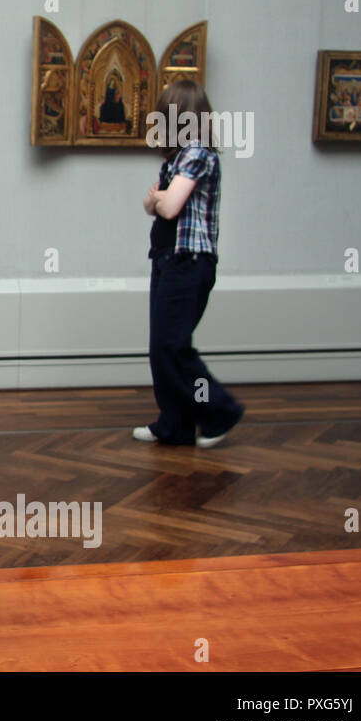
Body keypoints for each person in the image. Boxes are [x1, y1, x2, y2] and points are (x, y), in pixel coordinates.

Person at [136, 80, 244, 447]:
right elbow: (150, 203)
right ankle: (174, 424)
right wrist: (156, 200)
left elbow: (166, 206)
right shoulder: (176, 160)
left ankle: (220, 410)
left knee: (174, 345)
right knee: (161, 347)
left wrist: (157, 199)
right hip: (167, 259)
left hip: (189, 262)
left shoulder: (198, 153)